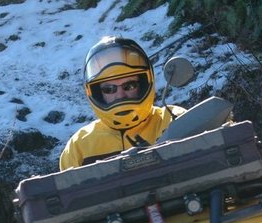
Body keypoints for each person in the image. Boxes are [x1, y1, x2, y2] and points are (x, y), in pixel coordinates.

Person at [59, 36, 185, 170]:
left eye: (129, 86)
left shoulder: (173, 119)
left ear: (143, 84)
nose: (120, 95)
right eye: (109, 89)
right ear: (97, 93)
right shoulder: (79, 146)